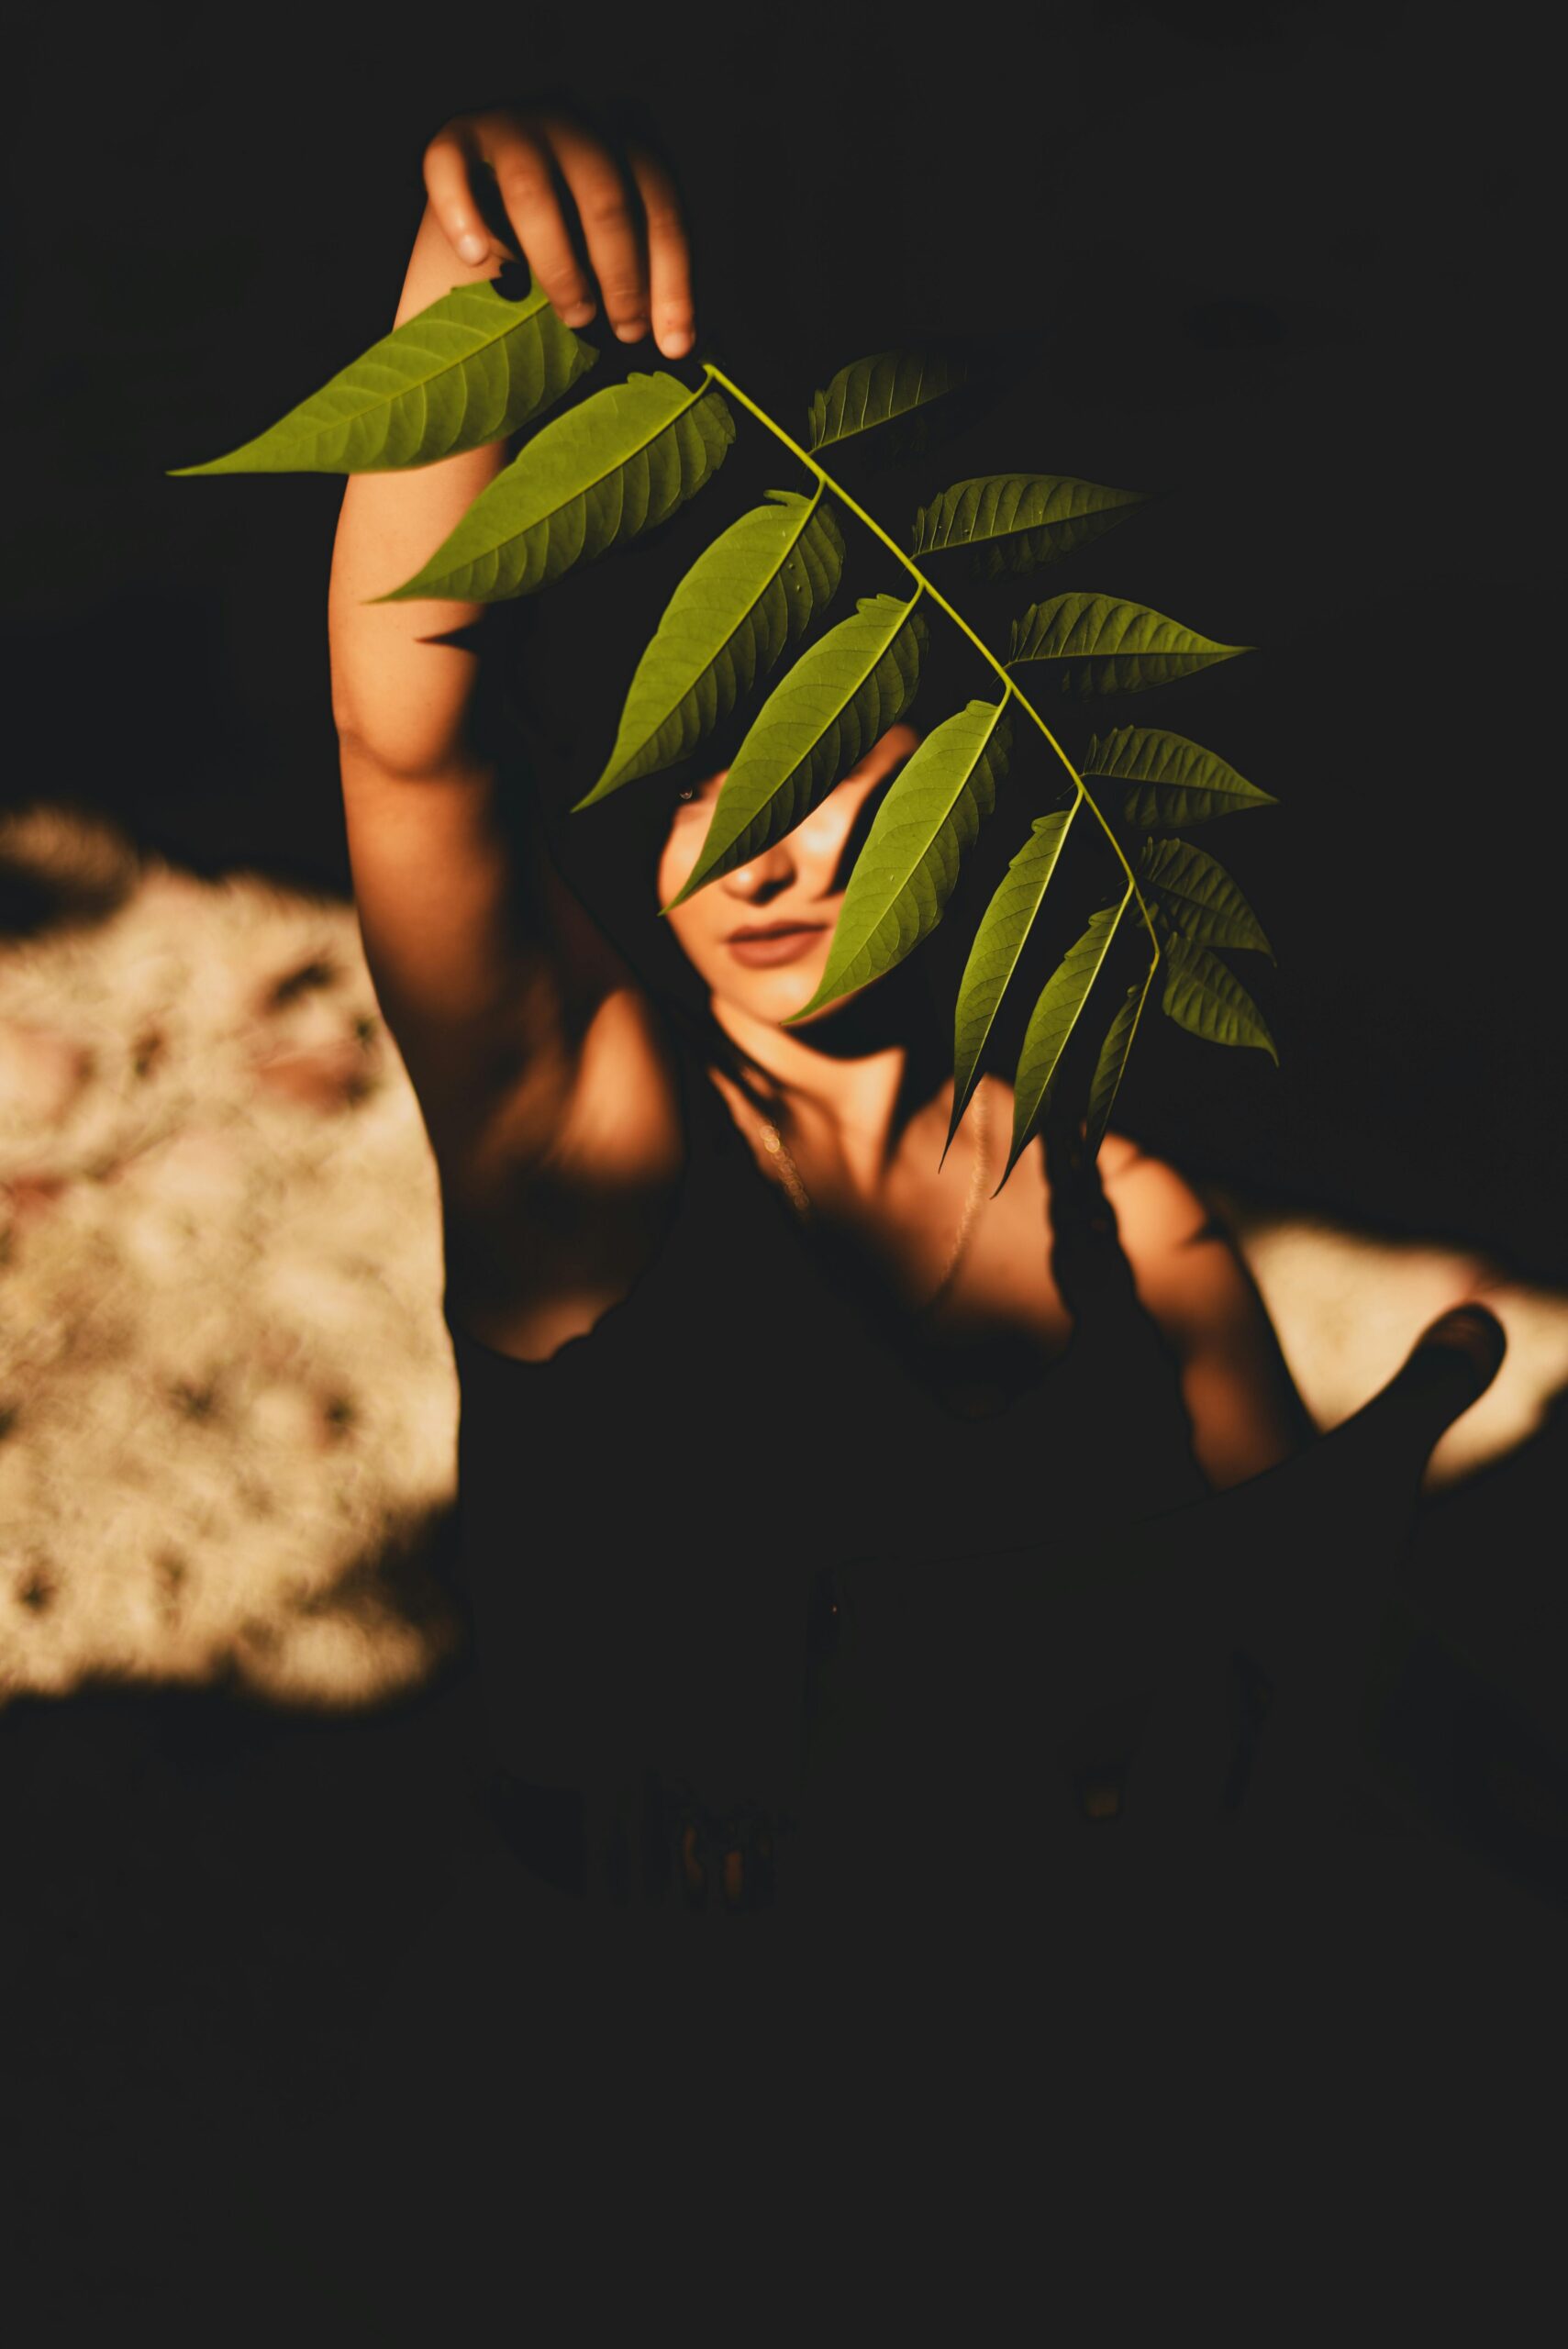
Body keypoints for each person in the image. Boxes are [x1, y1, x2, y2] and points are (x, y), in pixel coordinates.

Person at [328, 96, 1509, 1941]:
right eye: (693, 788)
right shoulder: (586, 1134)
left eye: (824, 772)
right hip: (634, 2011)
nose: (767, 858)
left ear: (972, 767)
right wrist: (471, 278)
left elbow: (1302, 1655)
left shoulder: (1125, 1217)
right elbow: (408, 740)